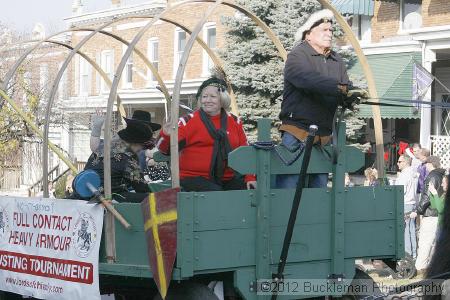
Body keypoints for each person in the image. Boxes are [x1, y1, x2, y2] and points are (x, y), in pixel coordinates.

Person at [276, 9, 358, 189]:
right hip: (296, 132)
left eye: (331, 30)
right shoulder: (297, 56)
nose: (329, 34)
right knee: (288, 187)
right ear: (308, 34)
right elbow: (308, 79)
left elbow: (344, 86)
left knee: (318, 191)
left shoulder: (337, 60)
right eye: (324, 30)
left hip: (323, 136)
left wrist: (352, 96)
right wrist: (339, 88)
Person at [157, 76, 256, 192]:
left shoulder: (235, 122)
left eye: (213, 96)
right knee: (215, 193)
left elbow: (246, 152)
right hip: (193, 178)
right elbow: (164, 149)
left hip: (227, 179)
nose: (207, 100)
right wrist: (166, 135)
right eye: (204, 96)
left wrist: (250, 177)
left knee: (246, 191)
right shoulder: (188, 121)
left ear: (222, 99)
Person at [83, 118, 152, 203]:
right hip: (108, 197)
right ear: (135, 142)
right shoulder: (129, 156)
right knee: (151, 198)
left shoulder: (103, 146)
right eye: (143, 146)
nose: (141, 150)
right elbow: (141, 187)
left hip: (86, 192)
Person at [412, 155, 445, 274]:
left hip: (430, 213)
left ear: (430, 164)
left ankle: (420, 268)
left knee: (425, 241)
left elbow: (425, 197)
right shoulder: (443, 175)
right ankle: (431, 267)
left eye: (426, 164)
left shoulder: (431, 176)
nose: (425, 166)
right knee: (434, 243)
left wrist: (417, 211)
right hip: (439, 213)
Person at [395, 154, 419, 259]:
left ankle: (408, 255)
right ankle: (413, 254)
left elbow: (400, 191)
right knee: (411, 229)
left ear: (406, 162)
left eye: (400, 162)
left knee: (405, 231)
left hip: (405, 203)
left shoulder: (405, 175)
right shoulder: (413, 173)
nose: (397, 163)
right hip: (412, 203)